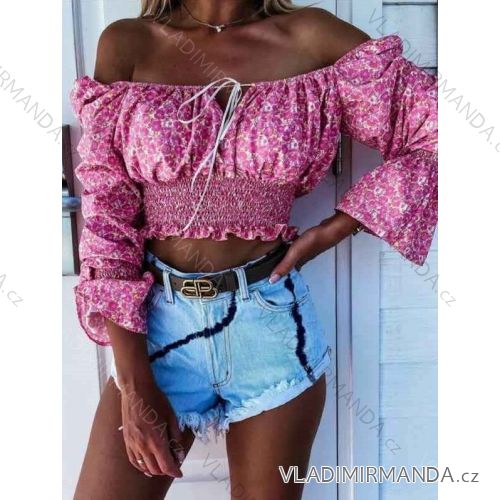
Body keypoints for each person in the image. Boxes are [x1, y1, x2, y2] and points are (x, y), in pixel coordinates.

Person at [71, 1, 437, 498]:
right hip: (156, 331)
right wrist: (134, 387)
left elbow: (439, 129)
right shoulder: (128, 42)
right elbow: (107, 217)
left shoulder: (310, 36)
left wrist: (333, 230)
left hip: (272, 331)